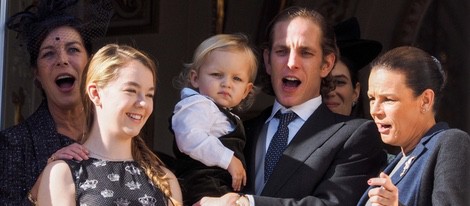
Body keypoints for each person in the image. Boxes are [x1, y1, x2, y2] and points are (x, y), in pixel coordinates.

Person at [196, 6, 387, 206]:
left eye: (305, 52)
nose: (291, 63)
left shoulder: (356, 135)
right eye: (282, 51)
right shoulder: (241, 129)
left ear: (326, 65)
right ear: (267, 62)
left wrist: (246, 203)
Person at [37, 44, 183, 205]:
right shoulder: (63, 174)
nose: (143, 103)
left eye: (149, 94)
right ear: (95, 93)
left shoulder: (165, 180)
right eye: (131, 90)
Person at [0, 0, 112, 204]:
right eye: (48, 54)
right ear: (37, 74)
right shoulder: (13, 145)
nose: (62, 60)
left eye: (73, 49)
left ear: (92, 64)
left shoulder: (114, 134)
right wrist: (43, 184)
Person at [357, 46, 470, 206]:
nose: (375, 110)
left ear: (425, 100)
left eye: (388, 99)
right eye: (372, 98)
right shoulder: (394, 163)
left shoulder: (451, 143)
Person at [171, 33, 258, 205]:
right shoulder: (197, 105)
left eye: (237, 78)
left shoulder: (226, 115)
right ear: (195, 78)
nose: (227, 83)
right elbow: (189, 138)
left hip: (220, 185)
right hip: (202, 185)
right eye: (217, 74)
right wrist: (228, 159)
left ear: (246, 91)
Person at [324, 17, 382, 117]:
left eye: (339, 82)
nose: (330, 92)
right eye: (324, 83)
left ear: (355, 92)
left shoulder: (368, 132)